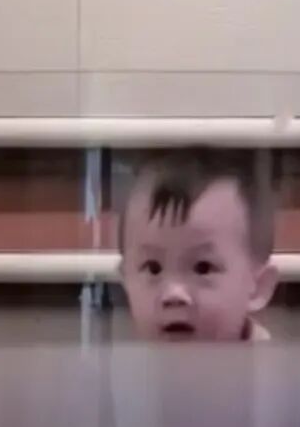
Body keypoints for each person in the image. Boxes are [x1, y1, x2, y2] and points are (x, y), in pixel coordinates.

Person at [118, 146, 278, 342]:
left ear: (259, 287)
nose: (174, 294)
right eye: (153, 268)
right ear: (125, 282)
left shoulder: (273, 362)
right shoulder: (113, 358)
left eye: (203, 268)